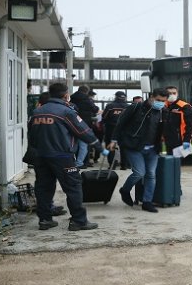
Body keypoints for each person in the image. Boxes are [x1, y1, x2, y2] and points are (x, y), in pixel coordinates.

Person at [29, 83, 109, 231]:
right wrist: (99, 147)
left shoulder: (37, 112)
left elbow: (31, 135)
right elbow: (84, 132)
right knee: (73, 187)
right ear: (66, 95)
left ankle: (45, 220)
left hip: (40, 156)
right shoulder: (66, 112)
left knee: (44, 187)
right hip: (62, 156)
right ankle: (79, 221)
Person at [108, 88, 168, 213]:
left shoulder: (163, 111)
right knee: (139, 173)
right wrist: (114, 140)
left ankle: (147, 202)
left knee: (151, 174)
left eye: (163, 101)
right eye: (158, 100)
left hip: (153, 148)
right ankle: (125, 190)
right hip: (134, 146)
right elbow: (120, 124)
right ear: (151, 97)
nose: (160, 103)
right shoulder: (136, 108)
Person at [70, 86, 98, 169]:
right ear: (86, 91)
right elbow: (95, 109)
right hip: (85, 124)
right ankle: (80, 163)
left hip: (73, 123)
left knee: (74, 144)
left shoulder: (72, 98)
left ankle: (72, 162)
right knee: (84, 145)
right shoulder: (87, 99)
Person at [163, 86, 192, 155]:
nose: (172, 95)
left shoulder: (184, 106)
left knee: (176, 162)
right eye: (169, 93)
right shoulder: (163, 106)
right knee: (169, 162)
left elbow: (190, 125)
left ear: (177, 94)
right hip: (168, 141)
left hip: (180, 140)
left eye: (174, 93)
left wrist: (187, 140)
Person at [102, 91, 129, 168]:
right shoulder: (128, 106)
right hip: (124, 128)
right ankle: (124, 165)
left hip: (111, 128)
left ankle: (112, 165)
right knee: (124, 146)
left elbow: (104, 117)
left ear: (116, 96)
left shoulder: (110, 106)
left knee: (110, 145)